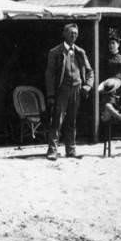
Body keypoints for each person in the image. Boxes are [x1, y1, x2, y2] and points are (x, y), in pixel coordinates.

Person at [44, 23, 94, 160]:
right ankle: (52, 150)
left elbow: (90, 72)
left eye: (76, 34)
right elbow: (49, 75)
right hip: (62, 90)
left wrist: (87, 86)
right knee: (57, 120)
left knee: (72, 120)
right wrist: (50, 95)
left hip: (77, 90)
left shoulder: (80, 52)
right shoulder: (55, 52)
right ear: (64, 34)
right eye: (71, 33)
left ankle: (71, 150)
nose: (73, 36)